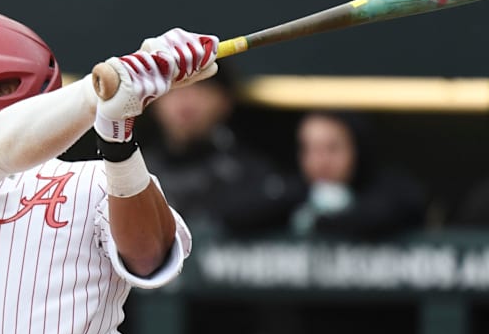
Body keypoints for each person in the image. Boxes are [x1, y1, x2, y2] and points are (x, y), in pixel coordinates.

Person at [0, 10, 219, 334]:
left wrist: (118, 141)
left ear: (6, 85)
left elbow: (149, 260)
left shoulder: (100, 178)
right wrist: (102, 90)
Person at [139, 59, 303, 237]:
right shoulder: (134, 171)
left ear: (225, 101)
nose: (185, 98)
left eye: (201, 86)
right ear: (152, 102)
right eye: (173, 87)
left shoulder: (258, 177)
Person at [289, 109, 428, 240]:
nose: (322, 161)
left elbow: (385, 214)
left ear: (356, 149)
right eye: (311, 150)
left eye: (332, 149)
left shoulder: (390, 187)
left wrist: (324, 220)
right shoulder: (292, 193)